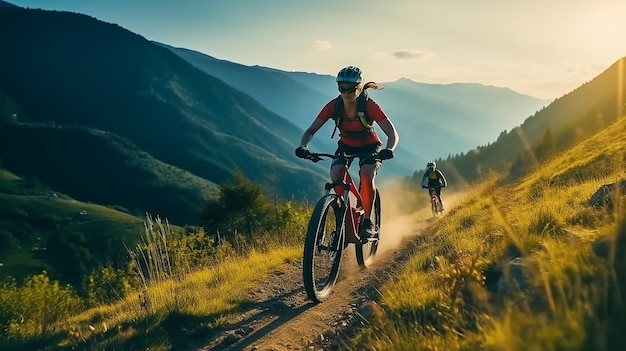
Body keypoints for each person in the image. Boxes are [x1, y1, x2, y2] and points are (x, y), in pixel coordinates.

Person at [295, 65, 399, 239]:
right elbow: (311, 130)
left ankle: (367, 220)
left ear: (359, 87)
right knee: (336, 175)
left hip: (370, 146)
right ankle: (346, 215)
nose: (346, 91)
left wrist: (389, 149)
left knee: (366, 175)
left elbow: (392, 133)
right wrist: (303, 146)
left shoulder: (369, 106)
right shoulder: (333, 106)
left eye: (350, 88)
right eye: (341, 87)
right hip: (346, 145)